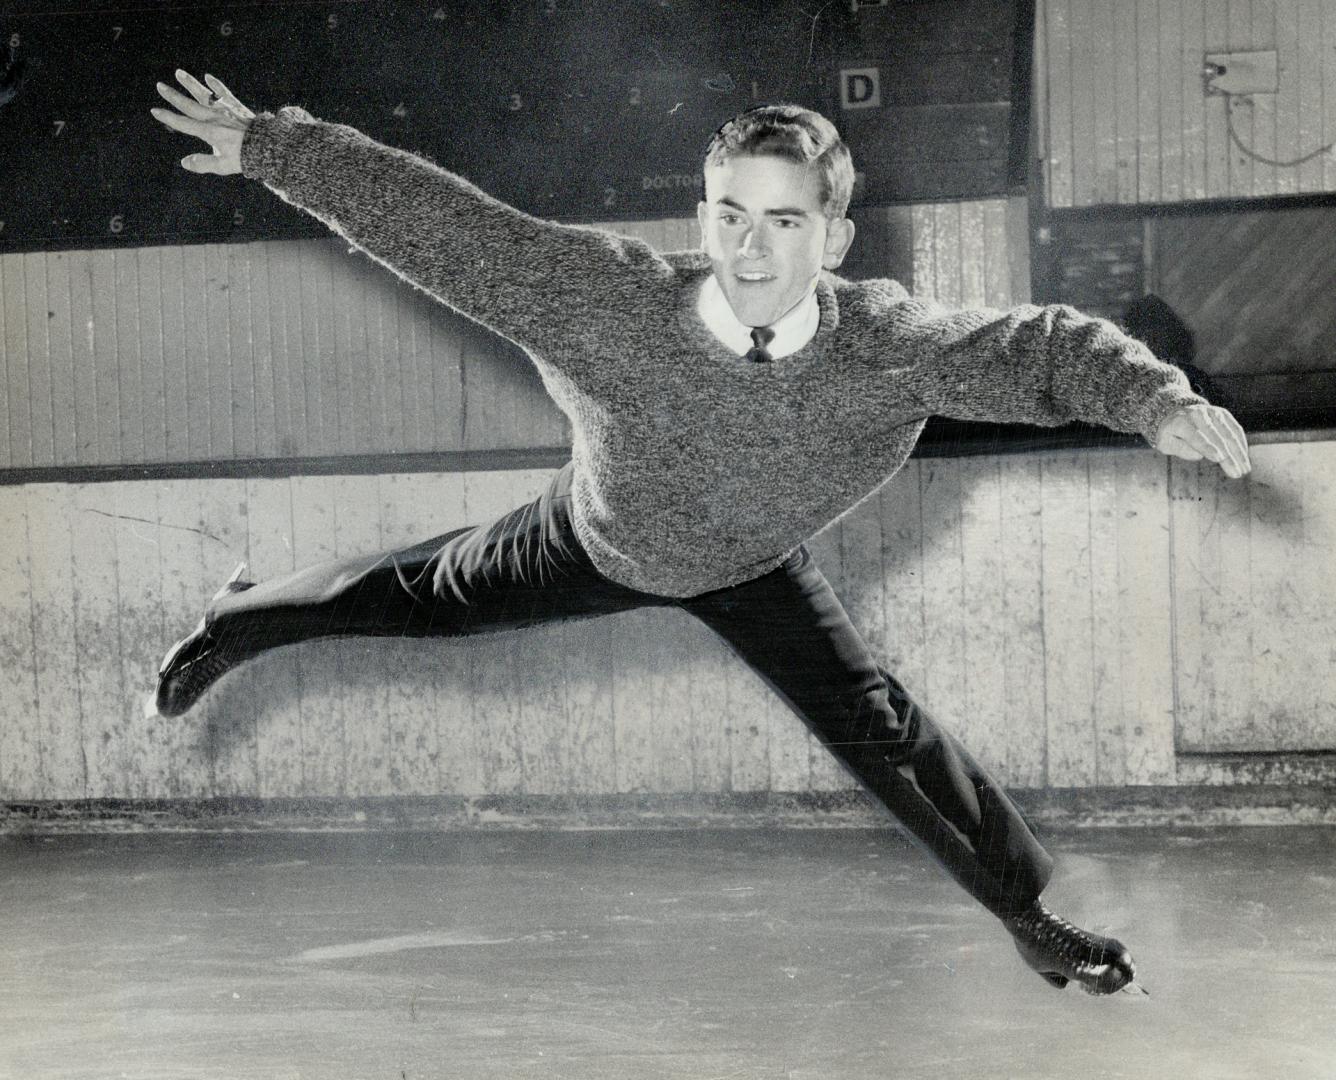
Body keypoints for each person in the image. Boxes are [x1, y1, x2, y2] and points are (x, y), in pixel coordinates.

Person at [149, 69, 1251, 998]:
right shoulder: (609, 303)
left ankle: (1029, 922)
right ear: (701, 217)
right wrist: (275, 148)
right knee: (404, 596)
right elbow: (447, 230)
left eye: (783, 221)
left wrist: (1153, 401)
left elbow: (1041, 348)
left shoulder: (891, 346)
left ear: (834, 235)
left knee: (884, 737)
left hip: (750, 569)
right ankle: (234, 624)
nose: (752, 248)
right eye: (729, 217)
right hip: (592, 540)